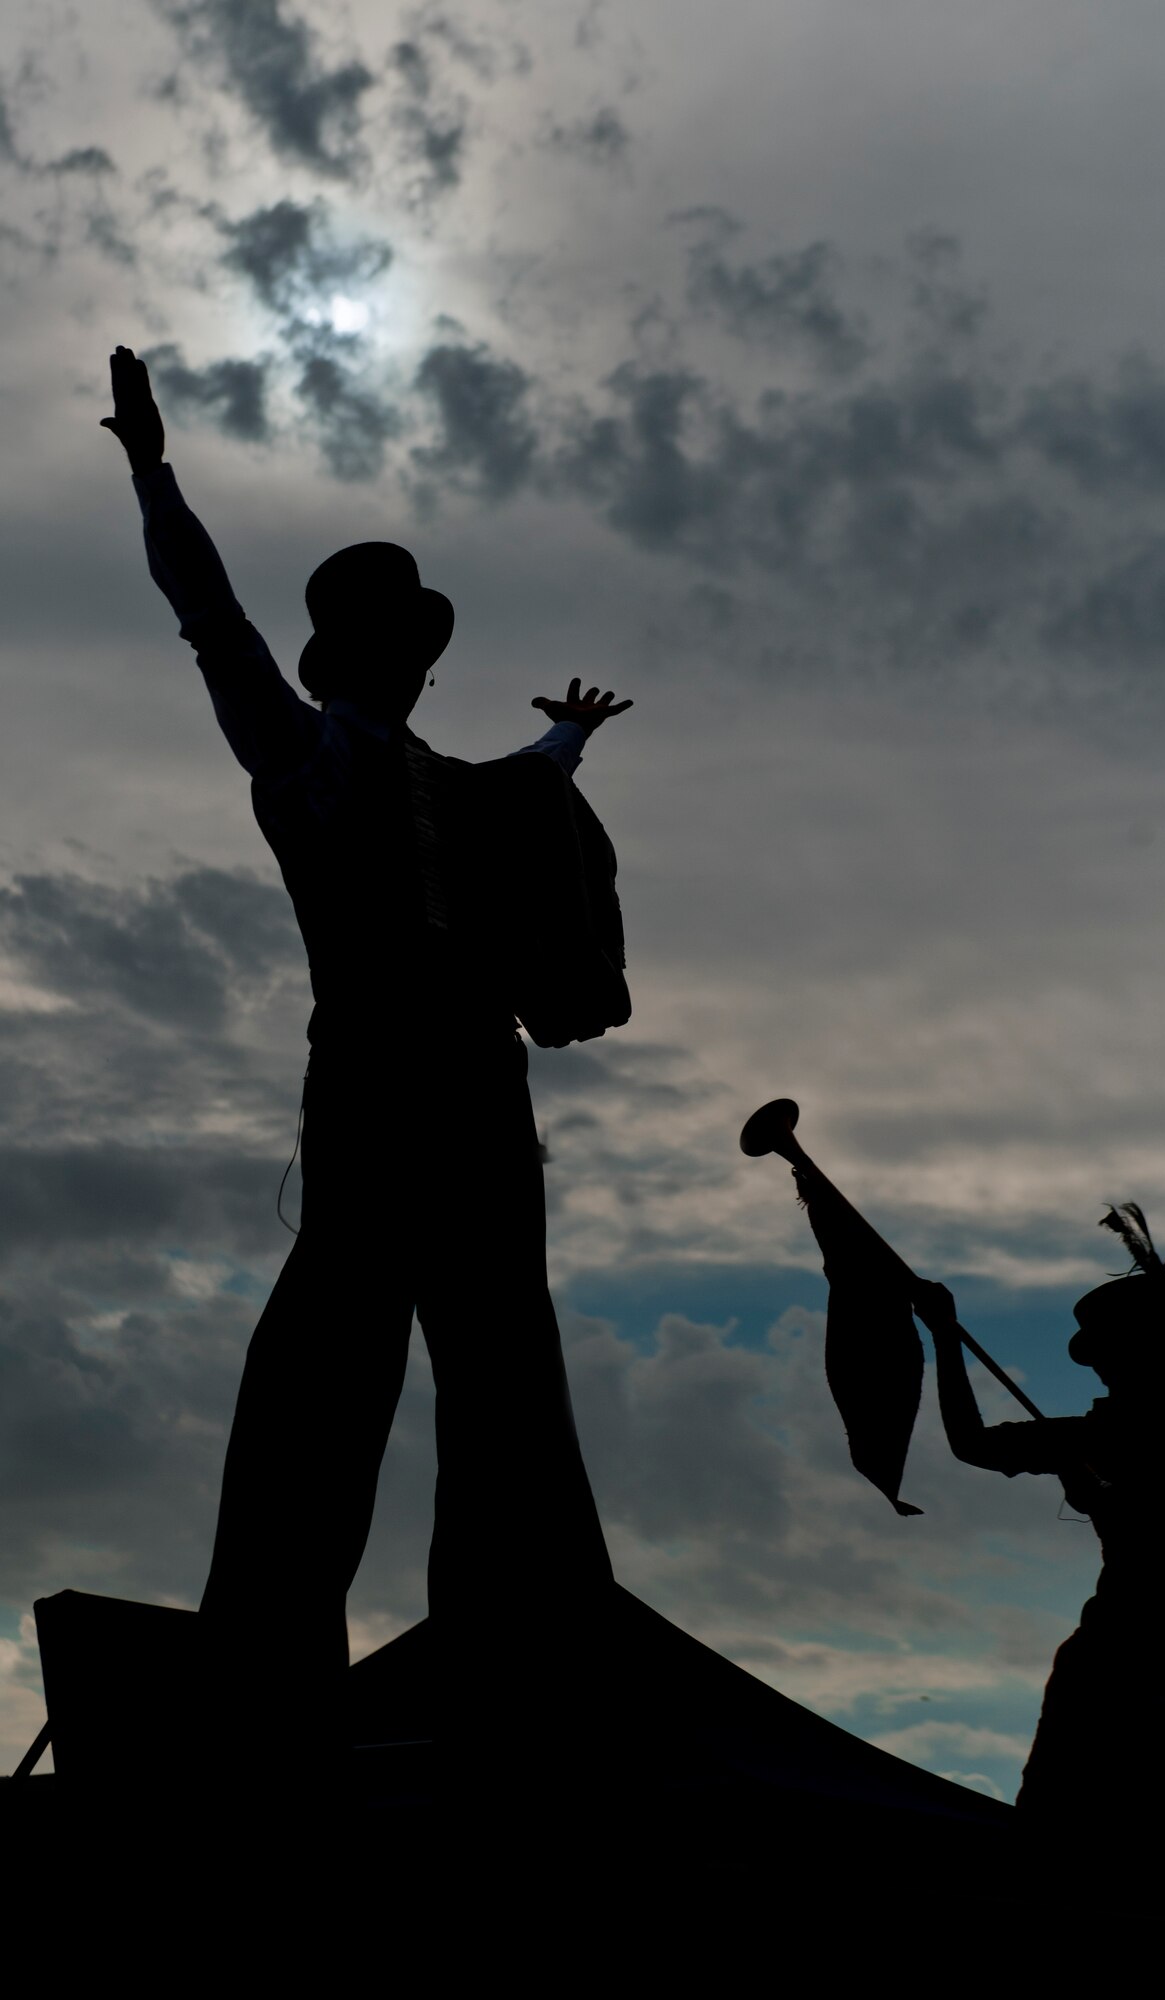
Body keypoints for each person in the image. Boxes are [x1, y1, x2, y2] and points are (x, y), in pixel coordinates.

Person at [101, 345, 632, 1779]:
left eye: (414, 636)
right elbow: (210, 621)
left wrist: (567, 736)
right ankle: (267, 1677)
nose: (407, 653)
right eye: (389, 634)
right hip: (382, 1090)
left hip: (475, 1097)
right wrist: (153, 474)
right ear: (355, 655)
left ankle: (521, 1670)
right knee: (329, 1376)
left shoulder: (461, 789)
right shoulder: (305, 756)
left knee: (506, 1381)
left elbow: (532, 788)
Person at [913, 1162, 1165, 1932]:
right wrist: (942, 1338)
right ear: (1119, 1357)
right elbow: (970, 1443)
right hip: (1155, 1672)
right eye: (1157, 1344)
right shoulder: (1132, 1428)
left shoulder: (1136, 1425)